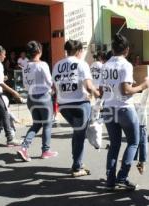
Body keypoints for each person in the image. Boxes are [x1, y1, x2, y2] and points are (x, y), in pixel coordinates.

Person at [100, 34, 149, 191]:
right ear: (127, 50)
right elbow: (126, 90)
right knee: (133, 142)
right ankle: (122, 178)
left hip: (108, 108)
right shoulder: (126, 65)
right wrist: (143, 85)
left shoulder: (105, 65)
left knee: (114, 144)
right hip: (124, 108)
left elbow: (101, 90)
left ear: (113, 49)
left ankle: (110, 180)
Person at [52, 40, 100, 176]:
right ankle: (77, 167)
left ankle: (77, 161)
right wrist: (98, 96)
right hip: (79, 104)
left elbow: (54, 86)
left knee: (77, 133)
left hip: (63, 106)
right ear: (79, 51)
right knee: (80, 135)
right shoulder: (81, 64)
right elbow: (89, 86)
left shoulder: (57, 65)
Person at [17, 41, 58, 162]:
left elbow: (25, 85)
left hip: (31, 98)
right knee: (47, 124)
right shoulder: (42, 64)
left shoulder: (25, 66)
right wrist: (55, 90)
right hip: (43, 97)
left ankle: (24, 147)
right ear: (39, 51)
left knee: (36, 123)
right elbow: (50, 82)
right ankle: (45, 151)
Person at [134, 88, 149, 175]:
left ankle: (140, 162)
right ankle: (141, 163)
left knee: (136, 142)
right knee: (142, 143)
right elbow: (146, 93)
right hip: (140, 123)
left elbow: (146, 93)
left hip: (137, 122)